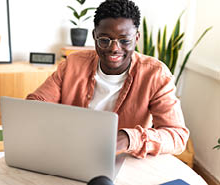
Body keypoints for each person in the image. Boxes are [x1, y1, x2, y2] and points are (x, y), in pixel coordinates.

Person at [27, 0, 189, 158]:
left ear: (137, 38)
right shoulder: (73, 64)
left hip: (122, 160)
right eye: (104, 40)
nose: (114, 49)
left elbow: (177, 136)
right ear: (94, 36)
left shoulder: (155, 75)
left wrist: (128, 138)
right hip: (70, 152)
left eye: (124, 40)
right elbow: (36, 104)